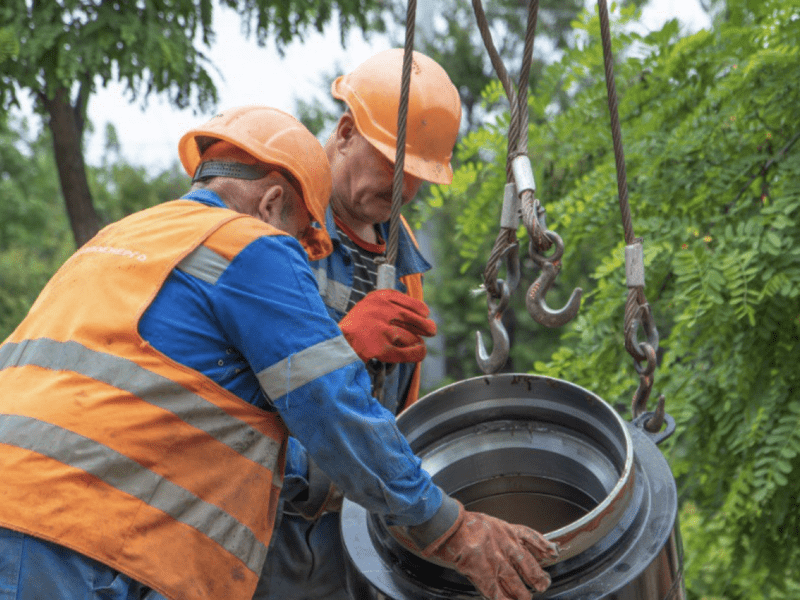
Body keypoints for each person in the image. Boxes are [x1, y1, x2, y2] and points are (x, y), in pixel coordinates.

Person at [0, 105, 557, 600]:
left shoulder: (123, 239)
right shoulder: (250, 243)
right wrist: (450, 529)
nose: (301, 254)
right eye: (302, 235)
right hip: (73, 537)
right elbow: (330, 404)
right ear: (270, 203)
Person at [257, 49, 469, 600]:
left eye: (418, 176)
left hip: (344, 537)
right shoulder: (272, 219)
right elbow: (227, 379)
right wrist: (343, 343)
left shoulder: (404, 262)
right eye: (391, 167)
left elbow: (389, 414)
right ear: (345, 132)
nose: (405, 191)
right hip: (256, 524)